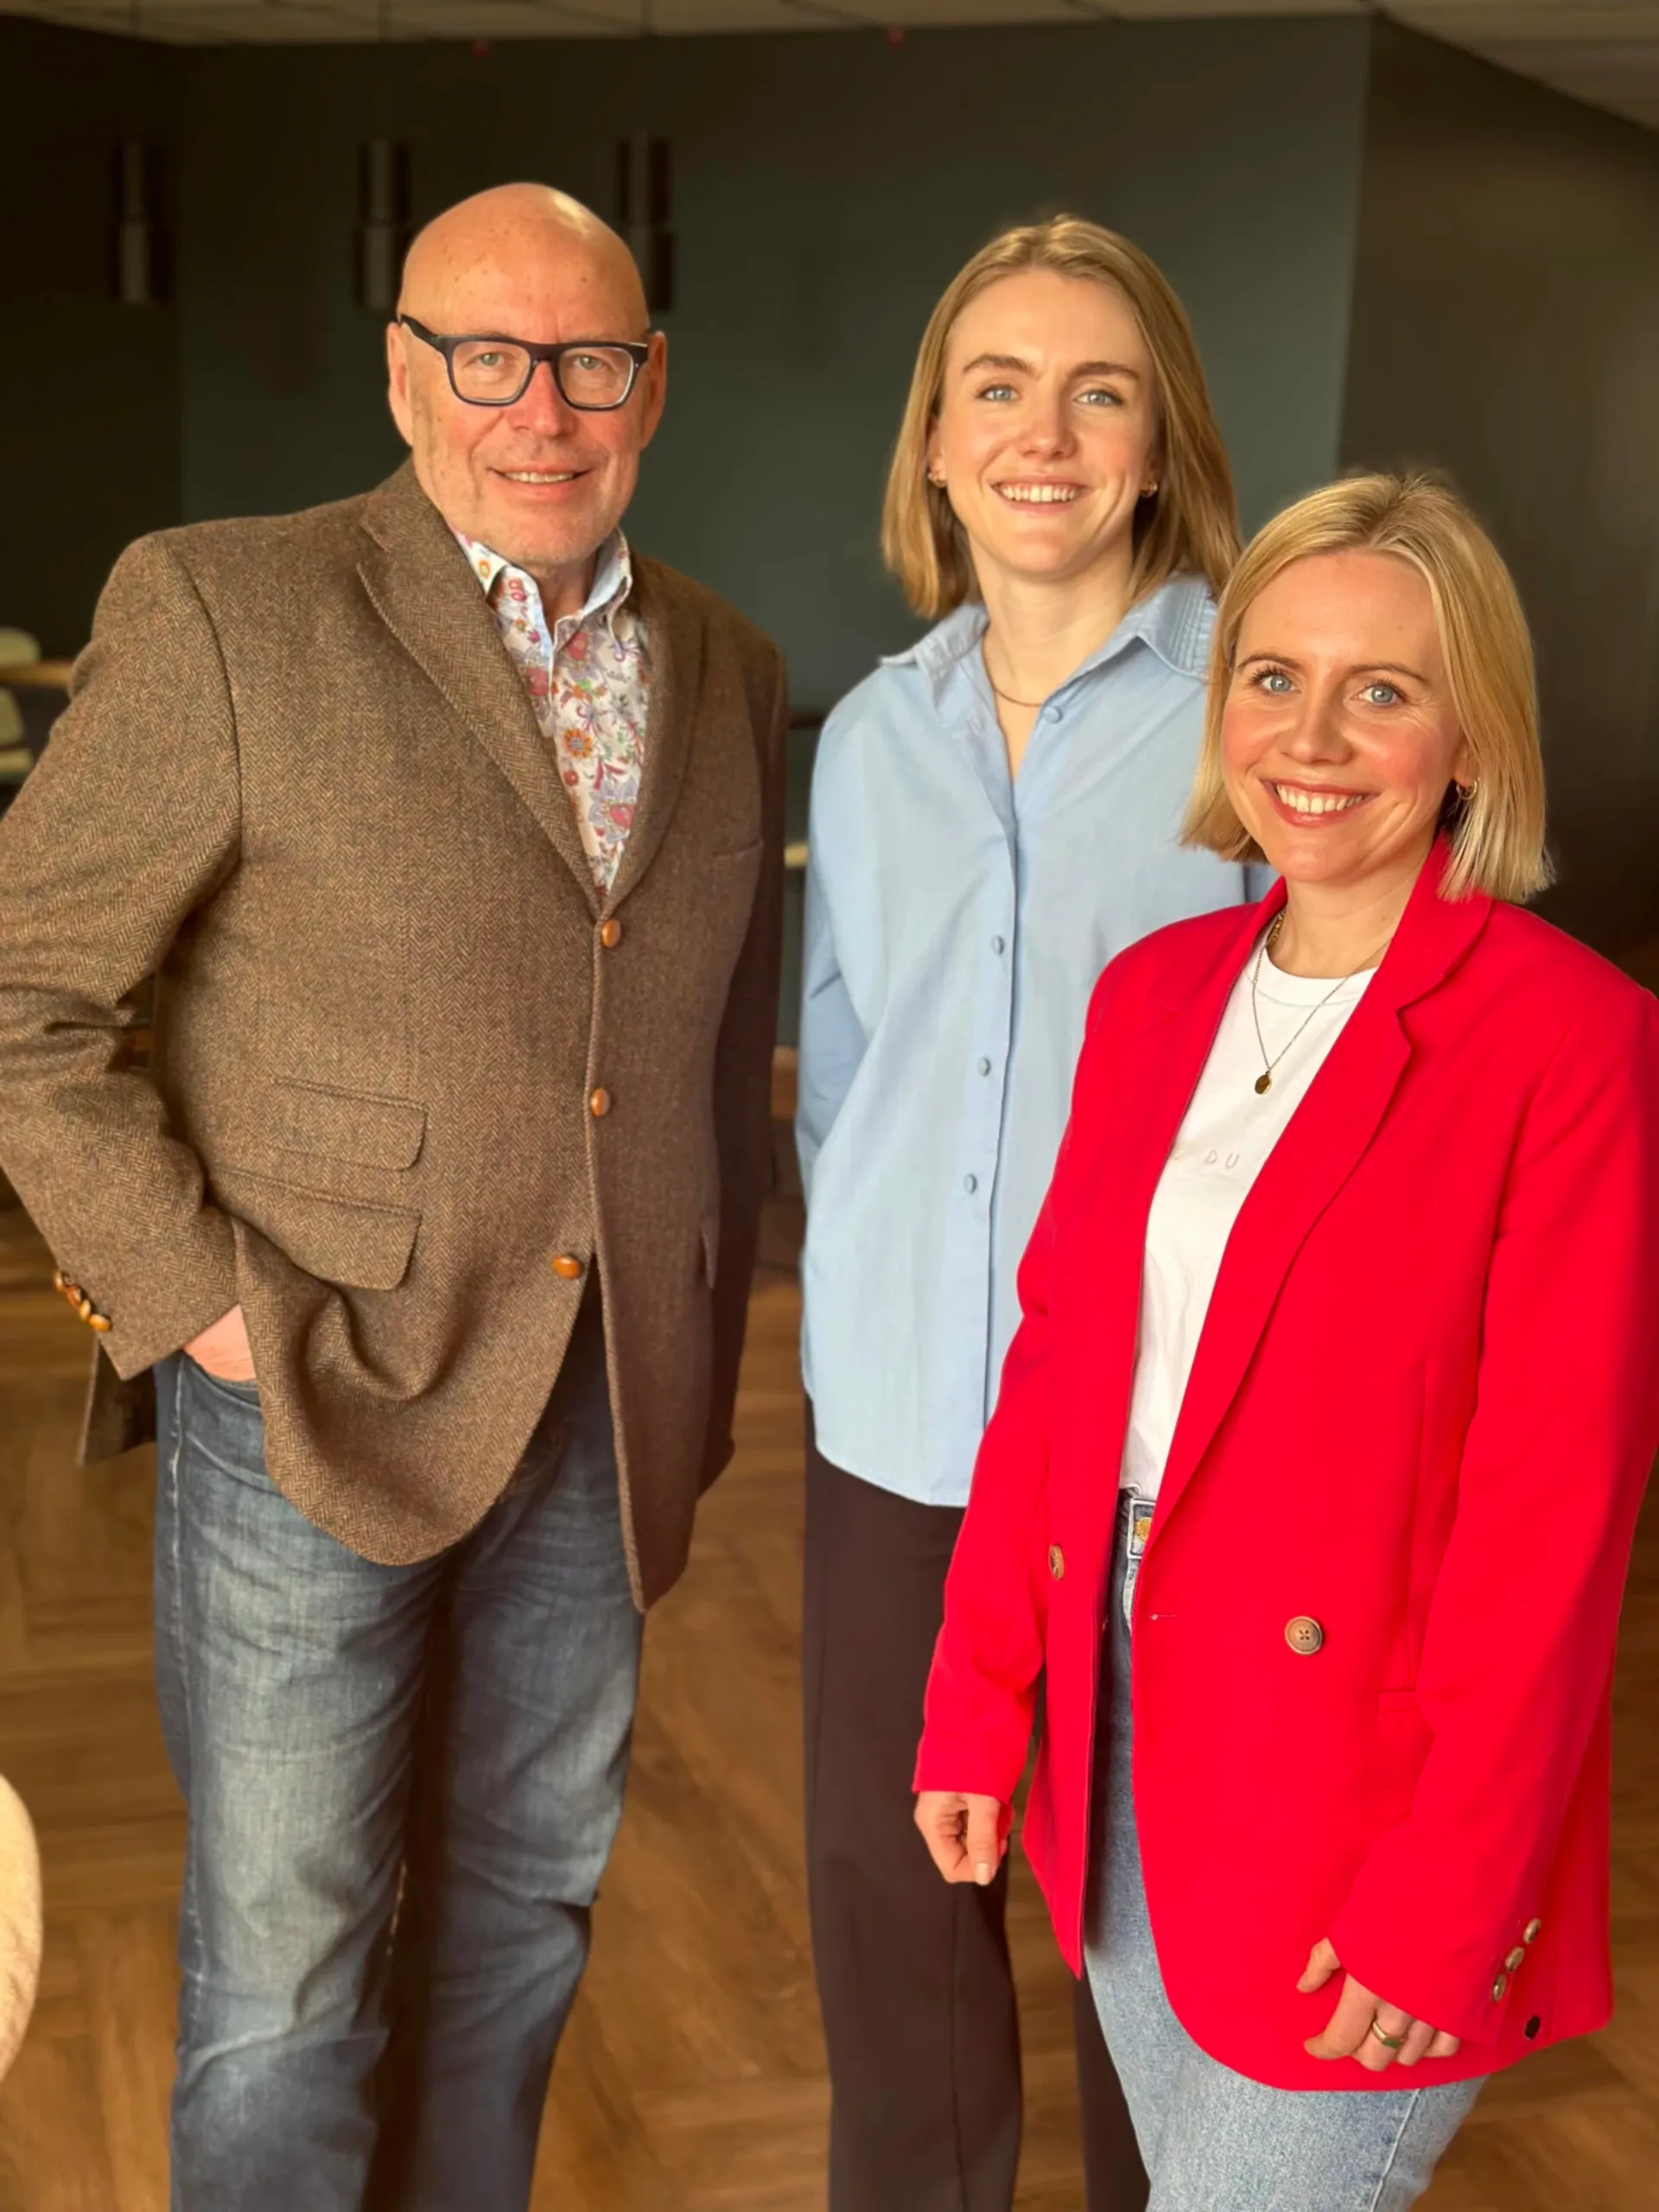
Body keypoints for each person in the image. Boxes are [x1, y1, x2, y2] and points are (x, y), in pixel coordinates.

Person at [0, 183, 786, 2211]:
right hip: (307, 1405)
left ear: (654, 384)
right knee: (287, 1965)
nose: (541, 408)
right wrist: (201, 1311)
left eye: (590, 361)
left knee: (524, 1915)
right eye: (484, 356)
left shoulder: (726, 662)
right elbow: (27, 991)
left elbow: (705, 1043)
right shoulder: (220, 606)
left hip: (606, 1410)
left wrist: (707, 1316)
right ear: (401, 374)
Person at [915, 472, 1659, 2211]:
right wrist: (976, 1692)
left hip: (1364, 1788)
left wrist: (1454, 1893)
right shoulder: (1156, 990)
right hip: (1120, 1711)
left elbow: (1552, 1518)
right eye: (1272, 676)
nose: (1310, 736)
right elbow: (1058, 1374)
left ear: (1471, 734)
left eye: (1381, 690)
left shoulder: (1575, 1040)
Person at [797, 214, 1251, 2212]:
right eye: (998, 387)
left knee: (1146, 1938)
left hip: (1169, 1447)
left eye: (1099, 390)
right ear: (935, 444)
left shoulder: (1259, 713)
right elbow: (842, 1064)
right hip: (897, 1435)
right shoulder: (873, 732)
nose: (1043, 433)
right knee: (895, 1921)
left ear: (1159, 443)